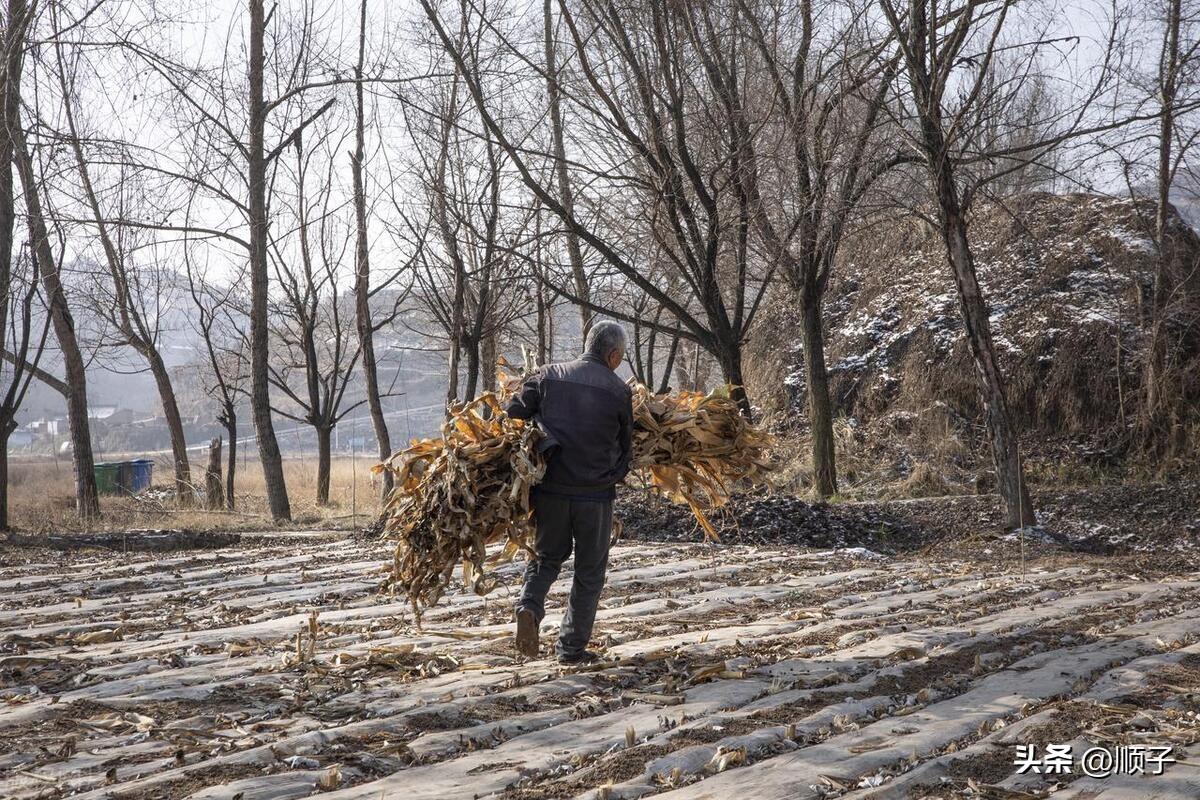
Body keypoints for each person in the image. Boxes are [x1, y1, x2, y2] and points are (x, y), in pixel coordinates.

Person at [503, 320, 633, 664]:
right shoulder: (620, 391)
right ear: (614, 354)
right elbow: (626, 451)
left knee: (546, 558)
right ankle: (570, 649)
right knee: (589, 573)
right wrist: (613, 476)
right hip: (595, 495)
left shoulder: (548, 375)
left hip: (552, 491)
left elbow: (513, 411)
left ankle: (529, 606)